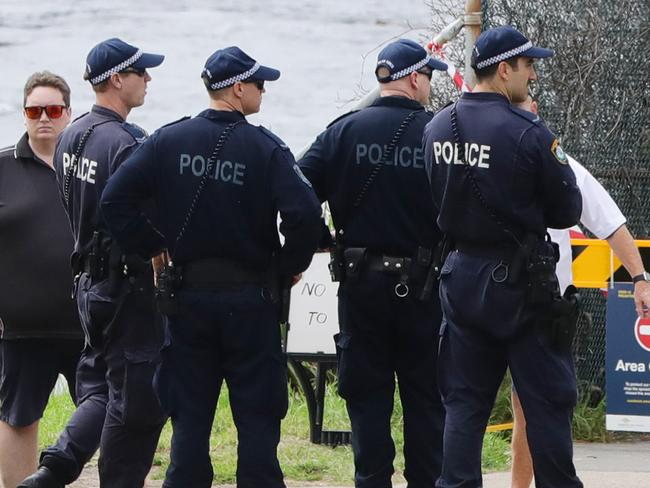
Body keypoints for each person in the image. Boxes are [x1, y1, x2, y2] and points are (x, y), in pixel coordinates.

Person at [100, 46, 322, 488]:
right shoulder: (266, 147)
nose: (264, 91)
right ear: (238, 88)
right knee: (258, 420)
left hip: (186, 300)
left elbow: (114, 201)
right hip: (251, 301)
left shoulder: (167, 140)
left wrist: (154, 247)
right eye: (260, 84)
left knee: (189, 421)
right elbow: (307, 214)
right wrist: (288, 266)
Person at [423, 25, 584, 488]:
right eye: (528, 65)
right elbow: (567, 209)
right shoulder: (527, 131)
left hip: (460, 278)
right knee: (548, 402)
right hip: (520, 286)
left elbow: (434, 197)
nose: (532, 76)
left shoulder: (436, 127)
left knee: (464, 403)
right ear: (503, 69)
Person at [298, 39, 448, 487]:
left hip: (361, 288)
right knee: (427, 402)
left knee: (366, 401)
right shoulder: (439, 134)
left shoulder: (342, 132)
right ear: (416, 79)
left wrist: (321, 239)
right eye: (430, 77)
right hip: (425, 290)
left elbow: (294, 189)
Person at [18, 38, 166, 488]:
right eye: (142, 73)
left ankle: (53, 469)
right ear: (117, 79)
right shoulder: (124, 141)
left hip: (87, 283)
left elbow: (72, 203)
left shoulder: (72, 135)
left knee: (101, 386)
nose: (149, 80)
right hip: (126, 288)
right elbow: (142, 215)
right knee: (138, 403)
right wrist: (158, 255)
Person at [510, 94, 650, 488]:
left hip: (484, 297)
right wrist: (639, 279)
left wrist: (639, 277)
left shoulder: (476, 152)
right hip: (537, 302)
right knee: (540, 408)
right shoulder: (555, 161)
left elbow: (606, 219)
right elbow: (607, 220)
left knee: (488, 408)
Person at [0, 71, 81, 488]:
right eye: (35, 110)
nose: (44, 118)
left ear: (68, 112)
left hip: (89, 324)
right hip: (23, 327)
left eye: (53, 109)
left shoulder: (89, 165)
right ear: (25, 113)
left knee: (111, 415)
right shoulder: (2, 167)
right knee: (18, 418)